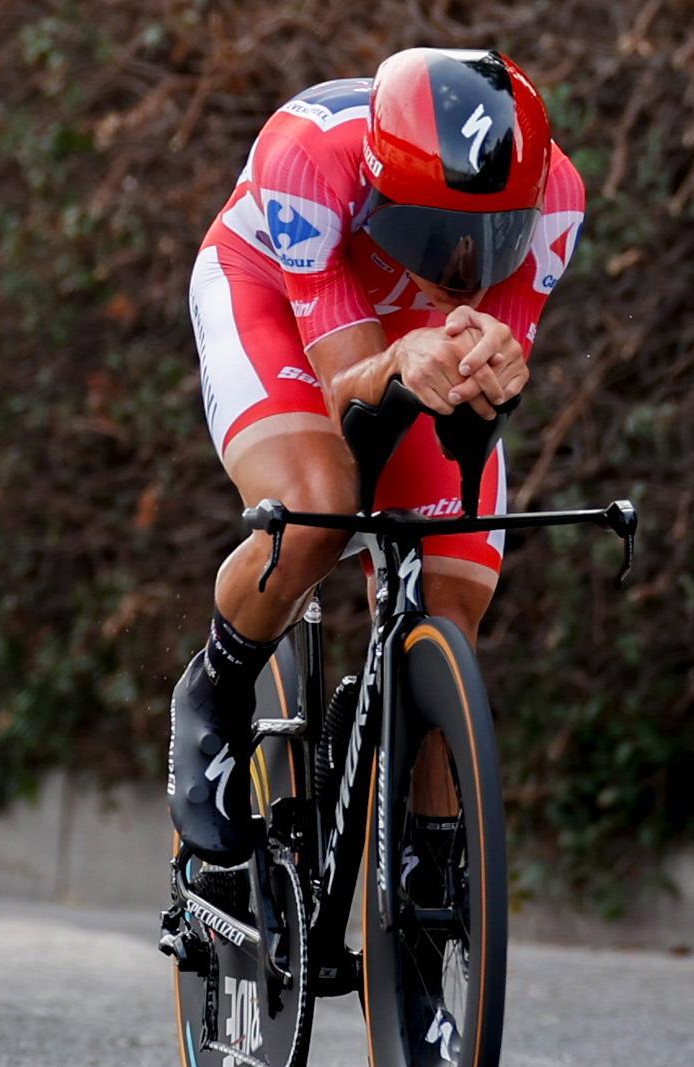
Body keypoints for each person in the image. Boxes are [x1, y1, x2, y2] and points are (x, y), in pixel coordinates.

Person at [168, 47, 586, 865]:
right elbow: (348, 390)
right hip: (273, 299)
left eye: (494, 238)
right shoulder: (308, 157)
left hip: (404, 333)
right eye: (436, 235)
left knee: (451, 599)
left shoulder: (557, 196)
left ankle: (431, 874)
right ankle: (215, 688)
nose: (464, 268)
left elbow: (476, 397)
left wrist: (496, 378)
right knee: (318, 510)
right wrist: (400, 361)